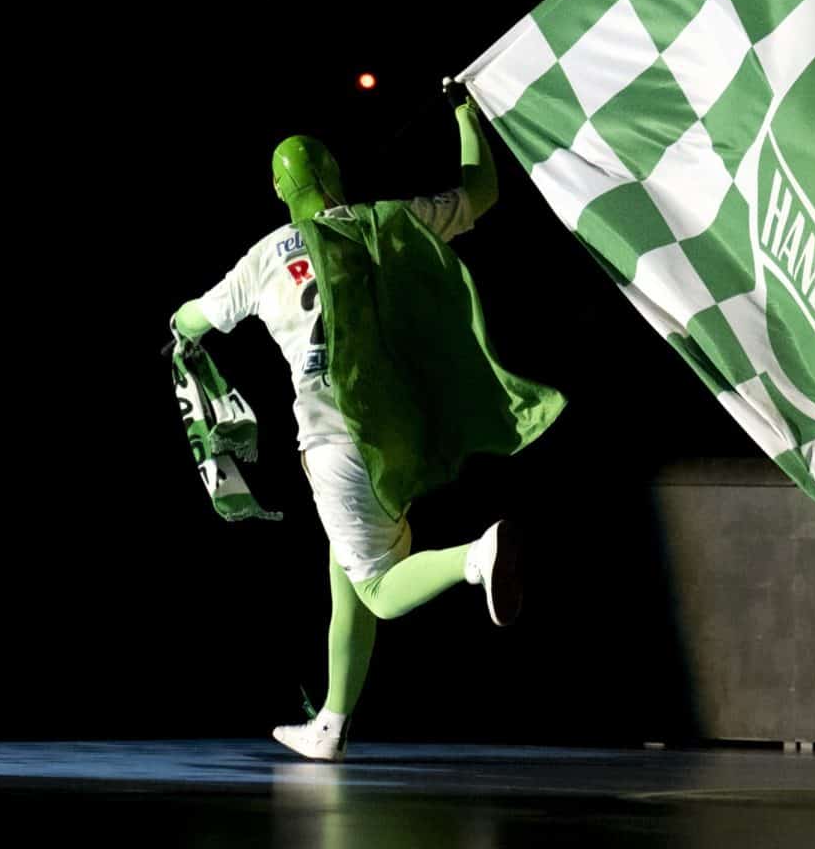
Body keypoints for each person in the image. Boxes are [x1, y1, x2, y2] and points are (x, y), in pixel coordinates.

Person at [168, 96, 564, 761]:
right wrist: (466, 116)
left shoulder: (264, 259)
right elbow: (481, 193)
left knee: (378, 590)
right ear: (334, 175)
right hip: (401, 431)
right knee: (344, 573)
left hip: (336, 442)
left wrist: (176, 331)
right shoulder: (391, 221)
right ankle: (332, 723)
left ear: (279, 191)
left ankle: (476, 557)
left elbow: (194, 319)